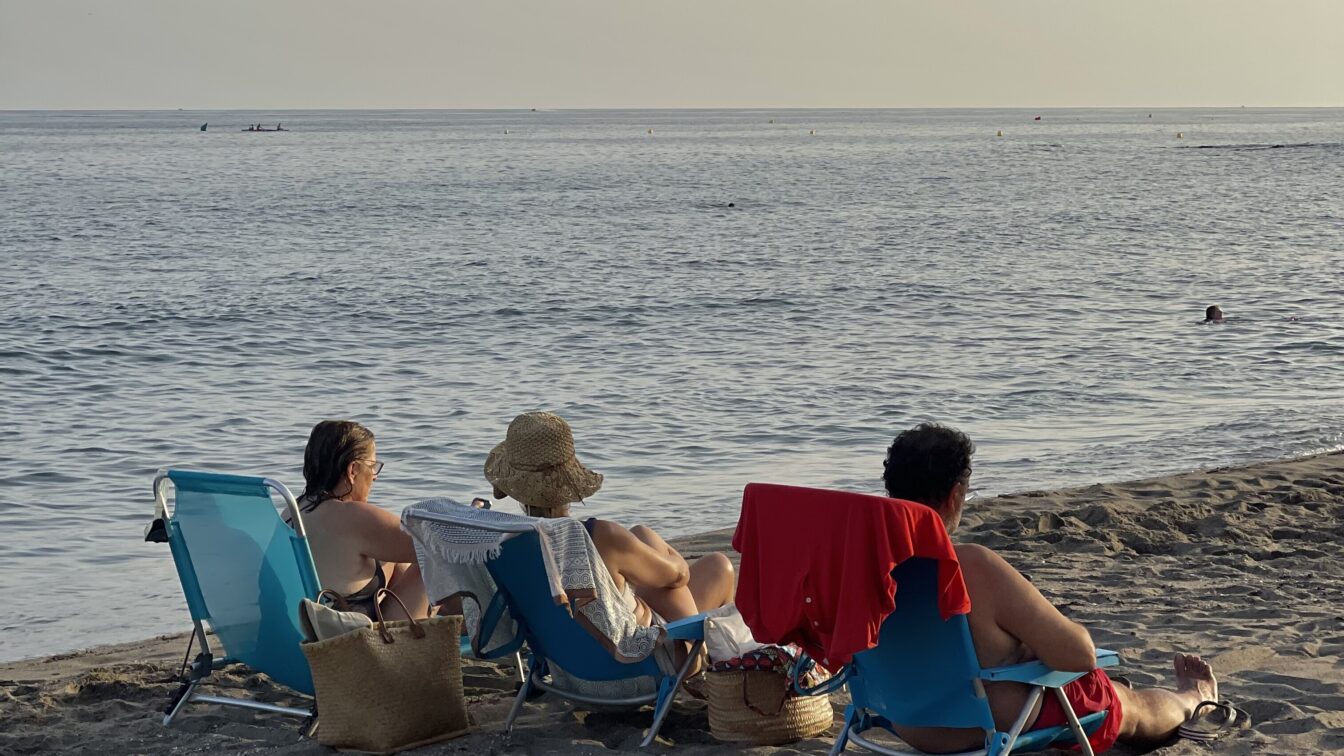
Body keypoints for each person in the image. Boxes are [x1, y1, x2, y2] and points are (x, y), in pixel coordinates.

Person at [881, 423, 1219, 754]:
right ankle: (1192, 700)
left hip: (910, 724)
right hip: (986, 721)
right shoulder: (970, 565)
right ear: (955, 495)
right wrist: (1027, 647)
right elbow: (1079, 656)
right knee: (1123, 703)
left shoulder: (864, 567)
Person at [484, 411, 735, 628]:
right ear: (570, 480)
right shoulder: (602, 537)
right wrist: (675, 559)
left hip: (569, 666)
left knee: (642, 533)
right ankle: (715, 658)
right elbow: (679, 577)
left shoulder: (506, 546)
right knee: (719, 566)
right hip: (644, 663)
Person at [290, 420, 430, 621]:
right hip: (351, 642)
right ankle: (461, 630)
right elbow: (436, 545)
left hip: (307, 630)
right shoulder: (354, 517)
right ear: (353, 469)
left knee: (391, 557)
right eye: (372, 466)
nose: (375, 477)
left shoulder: (292, 511)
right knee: (438, 560)